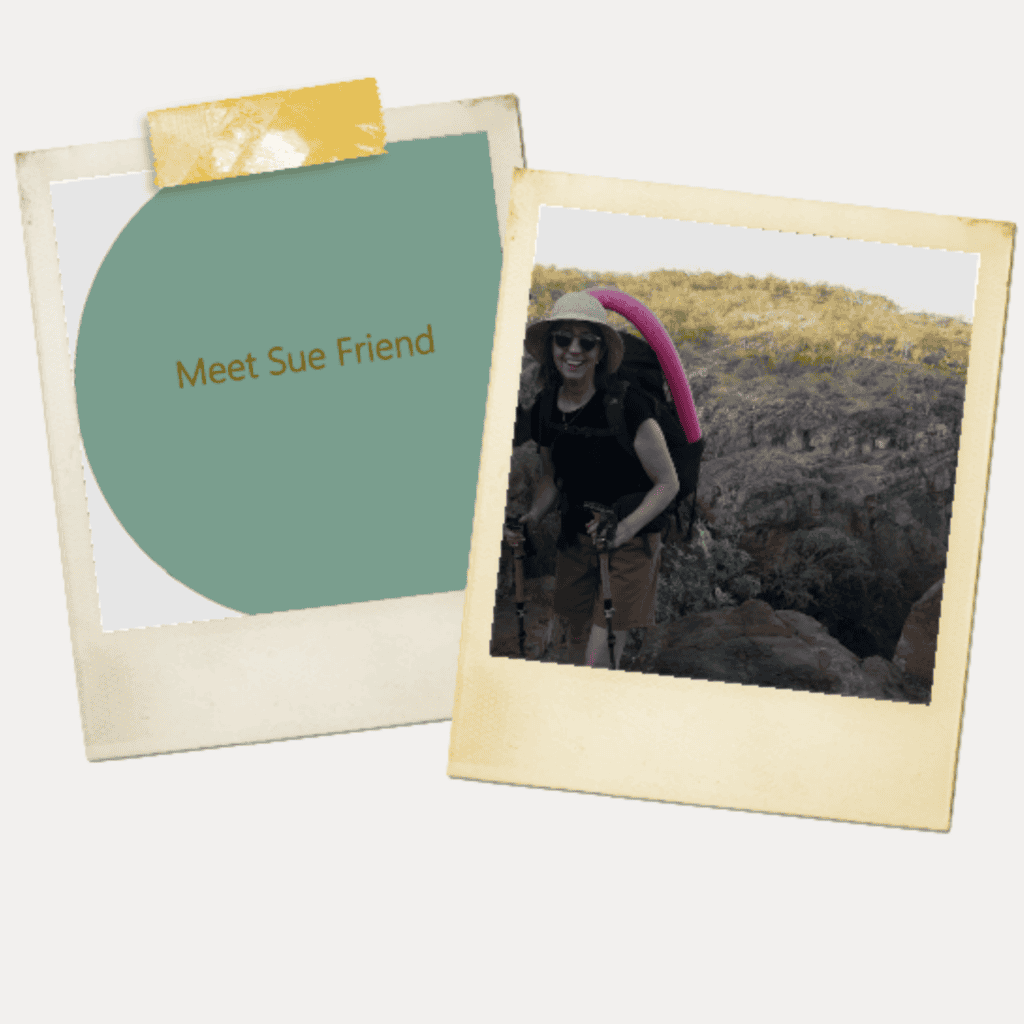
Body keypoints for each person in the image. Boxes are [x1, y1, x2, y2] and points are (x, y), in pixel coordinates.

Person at [507, 291, 679, 669]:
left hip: (631, 543)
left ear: (600, 353)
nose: (574, 350)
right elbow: (552, 478)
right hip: (577, 541)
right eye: (563, 338)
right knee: (569, 648)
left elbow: (668, 482)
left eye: (587, 341)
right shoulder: (546, 407)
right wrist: (532, 517)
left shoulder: (628, 407)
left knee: (597, 662)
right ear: (551, 346)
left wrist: (627, 528)